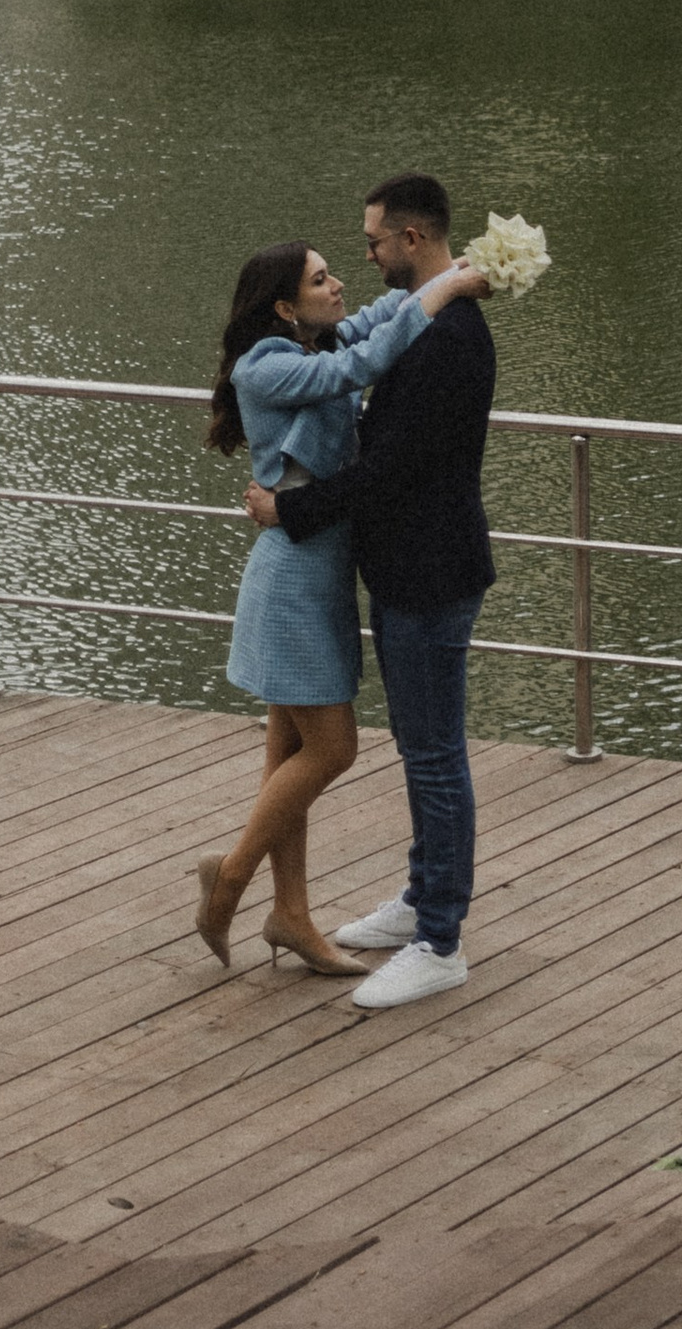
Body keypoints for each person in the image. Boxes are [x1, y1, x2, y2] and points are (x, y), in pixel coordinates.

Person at [197, 231, 486, 975]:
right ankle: (229, 879)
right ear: (286, 305)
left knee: (286, 753)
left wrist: (443, 272)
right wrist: (448, 292)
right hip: (293, 579)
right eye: (322, 280)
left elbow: (376, 319)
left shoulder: (308, 341)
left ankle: (290, 915)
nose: (338, 287)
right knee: (333, 749)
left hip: (317, 569)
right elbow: (364, 360)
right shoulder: (272, 365)